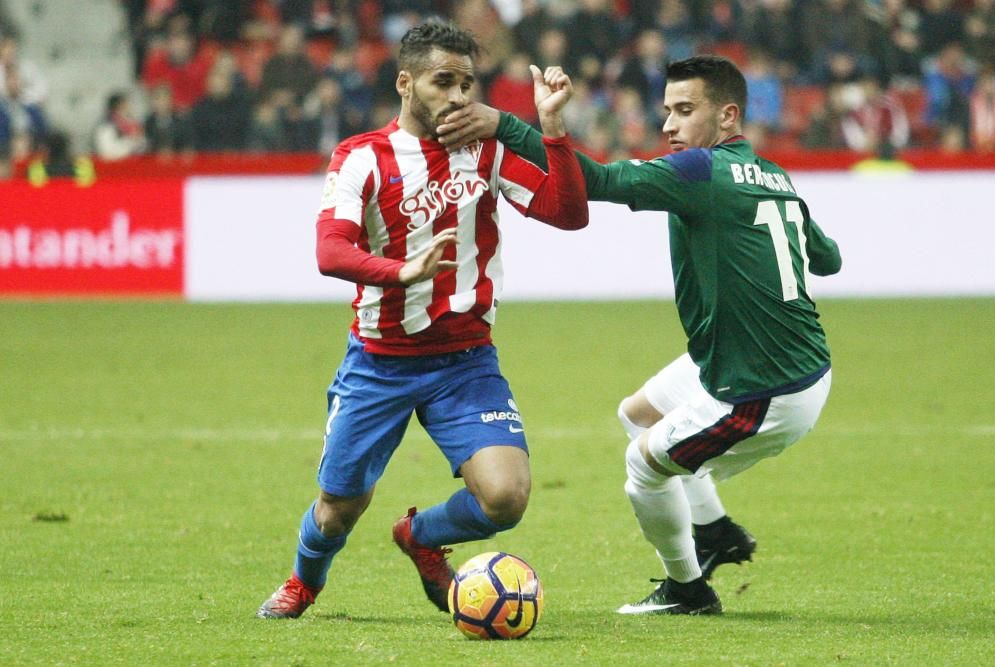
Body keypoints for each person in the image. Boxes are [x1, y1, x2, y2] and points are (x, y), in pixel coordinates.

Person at [437, 55, 842, 615]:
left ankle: (687, 590)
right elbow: (830, 259)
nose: (668, 125)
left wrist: (507, 125)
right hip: (752, 361)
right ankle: (716, 531)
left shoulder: (701, 171)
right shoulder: (774, 174)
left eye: (684, 110)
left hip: (763, 388)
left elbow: (596, 180)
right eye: (666, 111)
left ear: (727, 117)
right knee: (638, 413)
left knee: (643, 466)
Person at [256, 21, 588, 620]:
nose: (460, 96)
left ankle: (422, 535)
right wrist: (398, 272)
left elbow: (568, 214)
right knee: (337, 508)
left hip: (466, 363)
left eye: (468, 83)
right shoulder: (361, 158)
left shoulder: (485, 150)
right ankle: (304, 582)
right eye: (444, 81)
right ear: (406, 83)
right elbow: (330, 250)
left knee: (506, 498)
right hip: (380, 363)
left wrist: (553, 128)